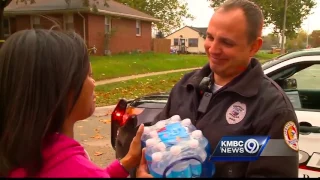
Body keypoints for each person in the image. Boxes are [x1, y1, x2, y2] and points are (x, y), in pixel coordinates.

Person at [152, 0, 299, 178]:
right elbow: (156, 145)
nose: (213, 49)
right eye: (210, 37)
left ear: (254, 46)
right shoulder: (186, 86)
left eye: (227, 43)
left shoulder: (273, 109)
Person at [0, 29, 152, 178]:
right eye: (88, 75)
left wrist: (126, 162)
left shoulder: (24, 152)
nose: (93, 83)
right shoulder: (77, 169)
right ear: (64, 89)